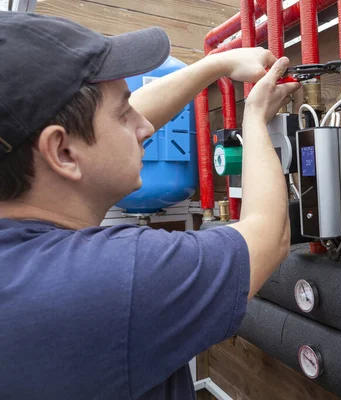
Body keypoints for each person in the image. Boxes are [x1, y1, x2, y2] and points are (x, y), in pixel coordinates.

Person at [0, 10, 299, 400]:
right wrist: (256, 119)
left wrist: (218, 64)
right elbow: (268, 232)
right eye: (125, 112)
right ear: (62, 152)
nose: (144, 127)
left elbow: (102, 129)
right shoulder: (110, 280)